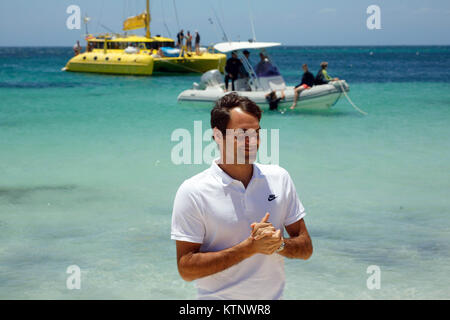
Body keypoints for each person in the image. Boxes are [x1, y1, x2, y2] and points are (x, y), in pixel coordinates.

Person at [171, 93, 313, 300]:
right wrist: (248, 248)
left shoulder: (279, 178)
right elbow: (186, 269)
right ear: (218, 136)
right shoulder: (193, 191)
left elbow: (306, 248)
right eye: (243, 133)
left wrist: (278, 244)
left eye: (256, 132)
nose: (252, 141)